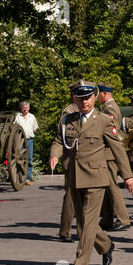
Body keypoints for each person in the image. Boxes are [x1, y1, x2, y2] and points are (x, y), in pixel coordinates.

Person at [50, 80, 133, 265]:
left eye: (87, 98)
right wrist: (54, 154)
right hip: (74, 176)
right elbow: (58, 140)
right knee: (83, 221)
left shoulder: (104, 120)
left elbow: (117, 149)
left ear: (94, 98)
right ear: (76, 100)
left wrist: (127, 176)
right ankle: (106, 246)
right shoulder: (68, 119)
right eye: (80, 99)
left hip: (96, 176)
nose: (84, 102)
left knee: (88, 221)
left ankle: (81, 263)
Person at [97, 82, 132, 232]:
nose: (96, 97)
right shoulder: (107, 107)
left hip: (108, 153)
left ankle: (123, 218)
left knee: (112, 187)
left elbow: (111, 131)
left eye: (98, 93)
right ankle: (106, 219)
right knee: (106, 188)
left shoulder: (110, 108)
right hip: (105, 153)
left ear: (104, 93)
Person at [57, 81, 80, 243]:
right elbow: (61, 137)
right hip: (71, 161)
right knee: (71, 197)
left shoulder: (86, 111)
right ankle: (65, 231)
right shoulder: (68, 112)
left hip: (86, 161)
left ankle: (82, 230)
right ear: (74, 96)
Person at [13, 101, 39, 185]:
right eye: (23, 107)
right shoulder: (17, 116)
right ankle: (20, 178)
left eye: (26, 107)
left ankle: (27, 179)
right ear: (21, 108)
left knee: (29, 160)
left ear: (29, 108)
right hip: (20, 140)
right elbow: (13, 127)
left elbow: (35, 129)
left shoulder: (32, 117)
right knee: (20, 159)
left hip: (29, 140)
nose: (25, 109)